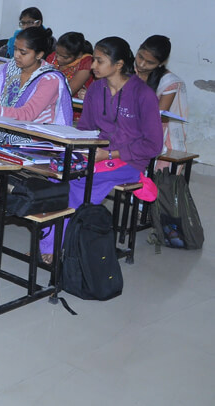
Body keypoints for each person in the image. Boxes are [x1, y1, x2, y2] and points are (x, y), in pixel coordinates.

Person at [39, 37, 163, 261]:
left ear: (118, 64)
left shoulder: (143, 95)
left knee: (79, 183)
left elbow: (153, 144)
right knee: (56, 176)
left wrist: (111, 154)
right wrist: (83, 149)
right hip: (98, 154)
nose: (92, 66)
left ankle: (55, 245)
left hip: (129, 161)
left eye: (99, 60)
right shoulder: (96, 89)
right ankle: (51, 239)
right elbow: (85, 128)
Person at [0, 26, 73, 144]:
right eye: (15, 49)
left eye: (23, 52)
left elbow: (27, 114)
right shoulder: (9, 68)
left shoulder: (50, 79)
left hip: (35, 141)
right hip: (3, 135)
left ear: (39, 55)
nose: (16, 55)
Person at [135, 35, 188, 154]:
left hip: (149, 132)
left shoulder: (169, 82)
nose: (142, 64)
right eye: (140, 57)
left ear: (161, 63)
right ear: (138, 49)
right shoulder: (126, 71)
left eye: (149, 62)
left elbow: (156, 117)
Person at [45, 31, 94, 98]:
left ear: (79, 55)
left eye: (65, 57)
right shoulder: (52, 57)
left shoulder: (86, 62)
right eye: (57, 54)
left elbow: (68, 92)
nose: (58, 58)